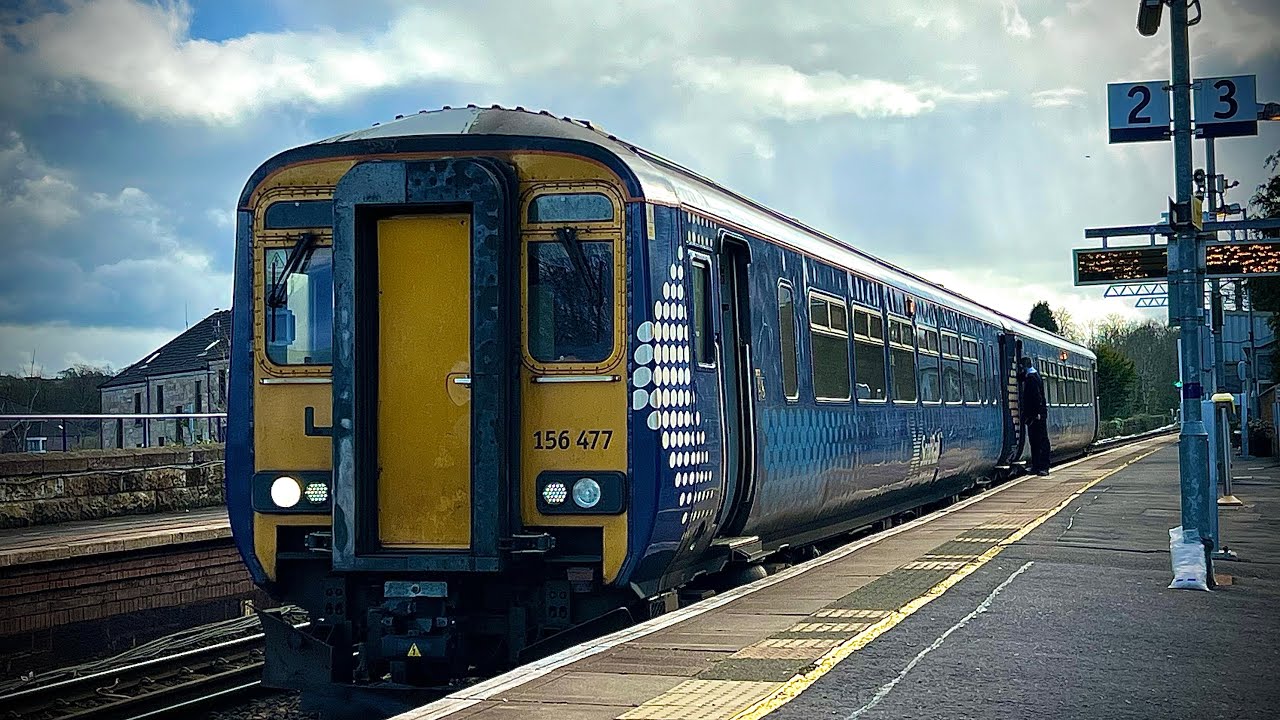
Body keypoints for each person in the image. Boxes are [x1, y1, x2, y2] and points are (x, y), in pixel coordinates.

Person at [1018, 356, 1051, 476]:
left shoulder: (1032, 379)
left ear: (1024, 366)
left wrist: (1036, 413)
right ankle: (1037, 466)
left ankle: (1043, 467)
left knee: (1040, 441)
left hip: (1037, 416)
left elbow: (1037, 397)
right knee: (1035, 441)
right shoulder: (1033, 376)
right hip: (1036, 414)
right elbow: (1021, 378)